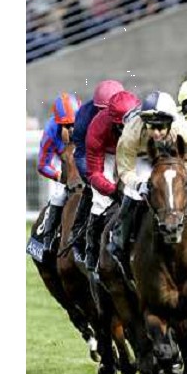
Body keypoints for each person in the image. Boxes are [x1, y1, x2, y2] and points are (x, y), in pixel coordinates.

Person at [113, 90, 187, 263]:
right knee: (133, 194)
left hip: (173, 158)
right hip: (142, 159)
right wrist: (137, 185)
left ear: (171, 123)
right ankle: (119, 239)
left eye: (161, 127)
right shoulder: (130, 133)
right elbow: (125, 168)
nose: (156, 132)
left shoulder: (182, 130)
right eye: (151, 126)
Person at [84, 90, 141, 271]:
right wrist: (113, 190)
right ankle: (92, 254)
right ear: (114, 123)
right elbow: (94, 174)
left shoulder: (145, 123)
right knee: (100, 202)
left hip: (134, 153)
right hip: (108, 154)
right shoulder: (97, 128)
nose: (128, 130)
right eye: (123, 126)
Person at [69, 79, 125, 261]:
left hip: (124, 149)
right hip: (96, 152)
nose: (106, 116)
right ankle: (81, 241)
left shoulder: (131, 110)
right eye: (101, 110)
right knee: (96, 191)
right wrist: (95, 180)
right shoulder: (85, 118)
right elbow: (82, 154)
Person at [37, 92, 82, 252]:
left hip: (80, 156)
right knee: (59, 194)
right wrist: (59, 176)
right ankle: (47, 239)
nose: (71, 130)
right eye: (67, 125)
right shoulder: (50, 133)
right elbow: (42, 165)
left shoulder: (87, 124)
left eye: (74, 124)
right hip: (59, 157)